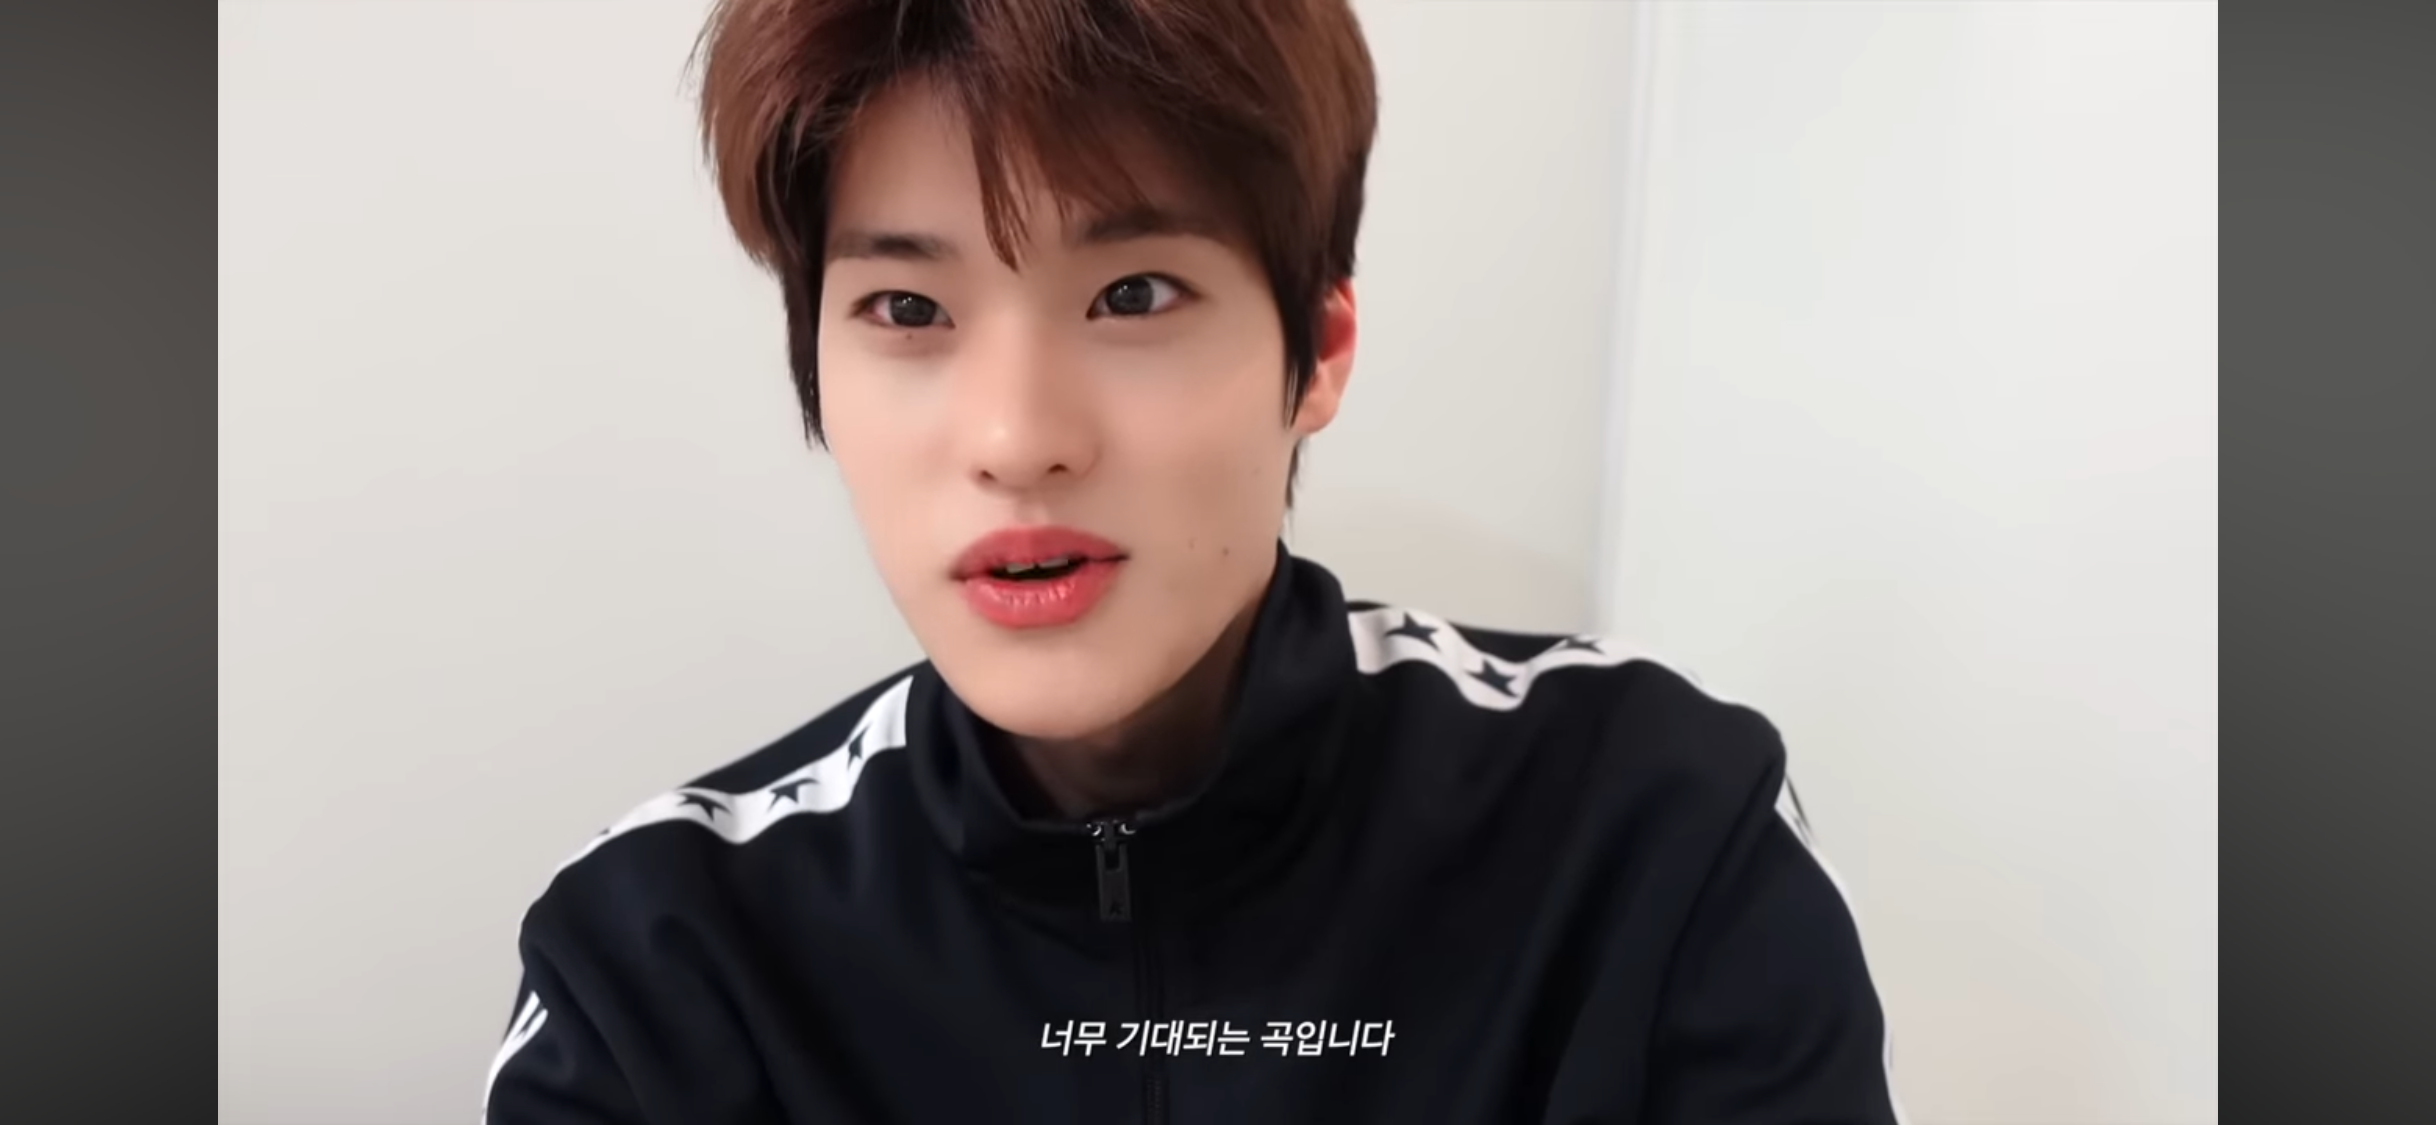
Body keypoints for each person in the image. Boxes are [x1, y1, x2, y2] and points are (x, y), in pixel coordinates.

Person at [481, 0, 1905, 1121]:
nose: (1018, 441)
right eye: (908, 309)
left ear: (1317, 350)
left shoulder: (1656, 835)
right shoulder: (659, 964)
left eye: (1133, 294)